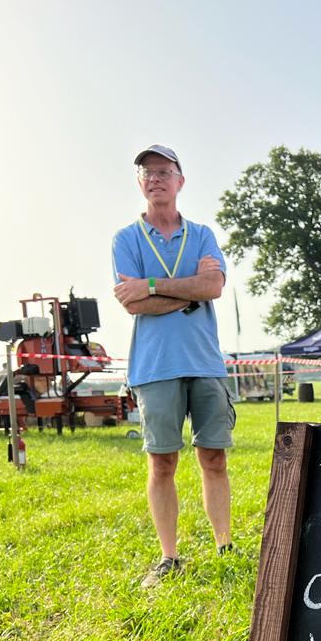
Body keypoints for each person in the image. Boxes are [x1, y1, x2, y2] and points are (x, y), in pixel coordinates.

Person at [112, 144, 234, 588]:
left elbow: (215, 286)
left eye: (164, 171)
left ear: (181, 181)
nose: (155, 178)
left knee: (213, 457)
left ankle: (224, 544)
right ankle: (169, 556)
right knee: (162, 463)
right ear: (140, 183)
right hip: (155, 366)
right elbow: (131, 303)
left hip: (204, 361)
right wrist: (190, 290)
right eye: (147, 172)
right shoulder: (126, 239)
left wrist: (153, 286)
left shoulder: (201, 234)